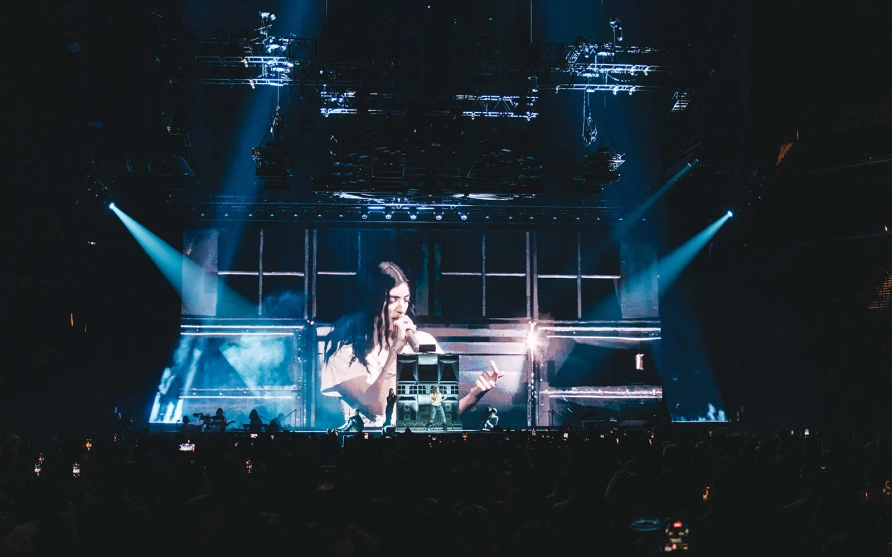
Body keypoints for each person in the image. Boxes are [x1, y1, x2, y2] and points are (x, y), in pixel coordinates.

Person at [321, 261, 504, 428]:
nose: (401, 308)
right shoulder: (343, 353)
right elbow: (376, 406)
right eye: (393, 300)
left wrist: (473, 396)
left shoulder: (423, 342)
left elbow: (441, 415)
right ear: (372, 301)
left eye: (406, 300)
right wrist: (396, 351)